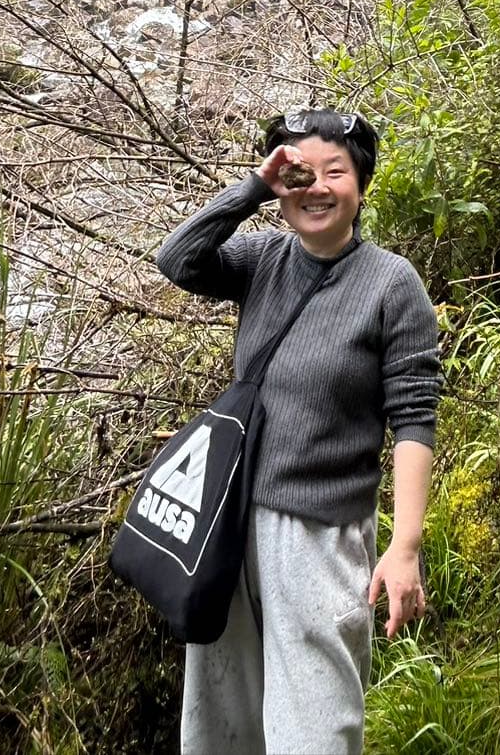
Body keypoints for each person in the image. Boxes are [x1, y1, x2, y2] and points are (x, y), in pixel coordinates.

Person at [155, 107, 441, 755]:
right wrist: (253, 188)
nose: (318, 188)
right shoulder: (263, 259)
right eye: (301, 173)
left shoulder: (391, 284)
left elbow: (414, 419)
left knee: (315, 730)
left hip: (322, 536)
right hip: (230, 526)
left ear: (361, 185)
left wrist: (405, 545)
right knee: (222, 726)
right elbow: (177, 259)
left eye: (335, 171)